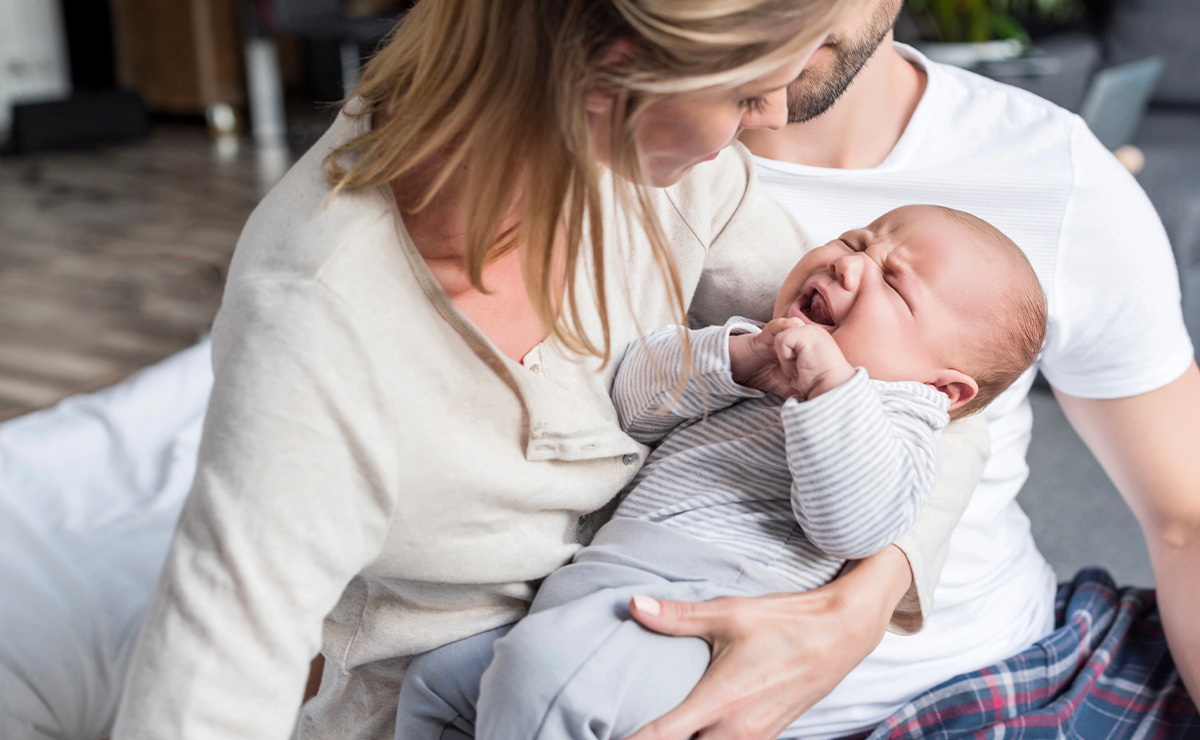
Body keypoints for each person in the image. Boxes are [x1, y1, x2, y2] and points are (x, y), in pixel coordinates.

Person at [106, 2, 995, 739]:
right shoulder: (322, 328)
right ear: (614, 70)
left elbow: (931, 386)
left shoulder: (668, 174)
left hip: (651, 647)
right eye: (747, 92)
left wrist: (853, 614)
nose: (767, 119)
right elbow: (202, 696)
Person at [609, 2, 1199, 738]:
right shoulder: (599, 155)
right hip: (639, 673)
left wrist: (868, 599)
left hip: (1008, 674)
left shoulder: (1054, 168)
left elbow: (1187, 517)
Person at [392, 205, 1046, 740]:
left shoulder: (900, 419)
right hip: (596, 596)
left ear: (946, 389)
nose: (849, 262)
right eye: (855, 240)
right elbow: (630, 403)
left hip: (697, 617)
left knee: (542, 676)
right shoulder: (757, 347)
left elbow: (855, 526)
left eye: (894, 283)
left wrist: (830, 392)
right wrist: (733, 360)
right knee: (439, 681)